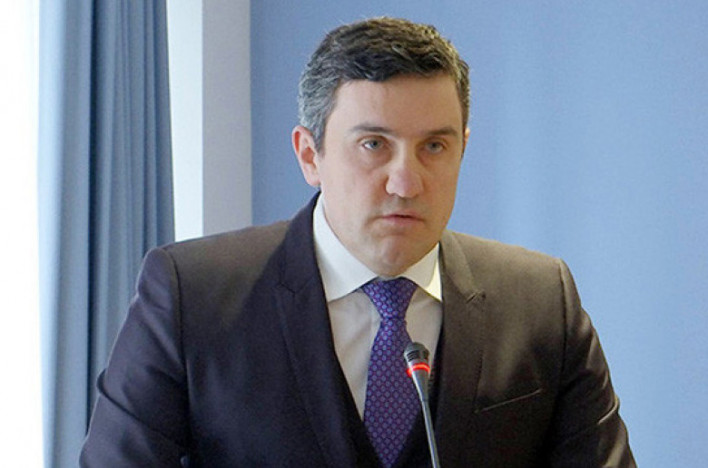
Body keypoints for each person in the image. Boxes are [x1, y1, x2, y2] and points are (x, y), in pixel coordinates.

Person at [80, 17, 635, 467]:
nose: (406, 182)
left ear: (463, 149)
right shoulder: (192, 296)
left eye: (434, 147)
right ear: (309, 155)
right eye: (374, 144)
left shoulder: (541, 301)